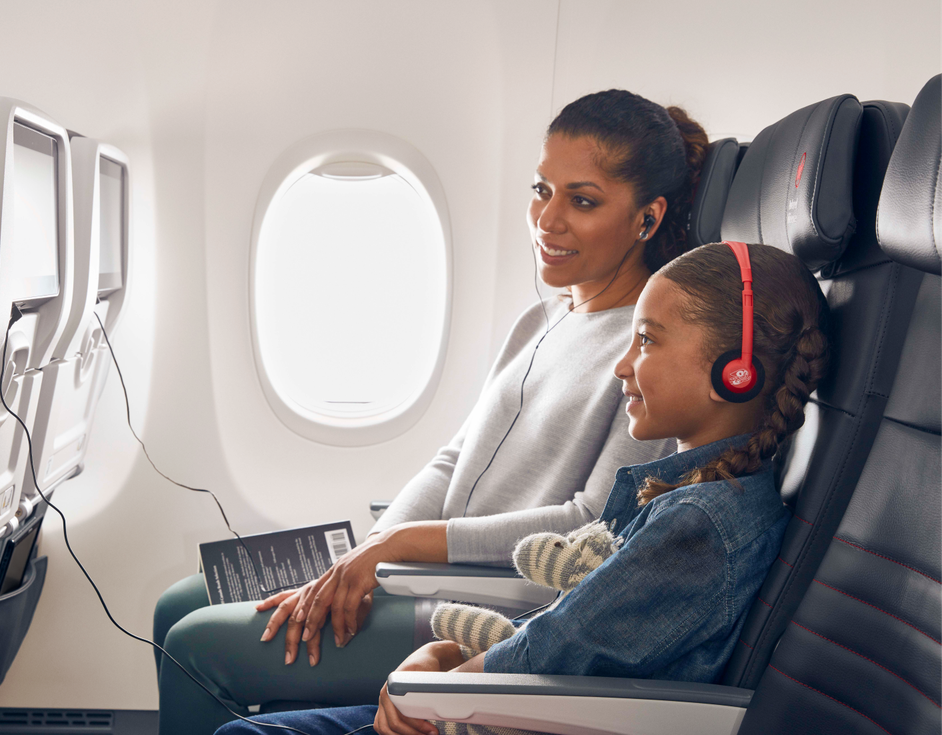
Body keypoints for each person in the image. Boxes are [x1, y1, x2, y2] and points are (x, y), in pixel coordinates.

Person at [155, 90, 708, 735]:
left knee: (195, 645)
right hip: (426, 573)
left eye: (582, 201)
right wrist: (369, 555)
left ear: (647, 218)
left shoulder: (646, 349)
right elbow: (453, 460)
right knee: (177, 603)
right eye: (541, 190)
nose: (547, 220)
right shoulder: (541, 319)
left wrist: (399, 547)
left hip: (491, 605)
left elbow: (593, 523)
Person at [215, 241, 830, 735]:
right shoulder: (685, 493)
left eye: (646, 340)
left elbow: (557, 648)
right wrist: (440, 656)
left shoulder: (698, 525)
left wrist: (431, 683)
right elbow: (570, 620)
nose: (623, 364)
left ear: (735, 372)